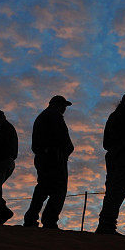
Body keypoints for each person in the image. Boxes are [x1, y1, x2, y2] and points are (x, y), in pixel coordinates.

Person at [95, 93, 125, 235]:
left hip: (113, 157)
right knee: (117, 191)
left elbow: (106, 143)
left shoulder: (113, 116)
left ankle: (106, 225)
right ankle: (107, 226)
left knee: (111, 190)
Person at [24, 95, 74, 229]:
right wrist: (67, 150)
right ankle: (49, 221)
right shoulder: (53, 116)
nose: (64, 109)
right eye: (63, 106)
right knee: (58, 189)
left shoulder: (44, 116)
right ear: (57, 105)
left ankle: (31, 218)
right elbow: (62, 138)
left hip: (45, 157)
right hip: (54, 158)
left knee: (43, 188)